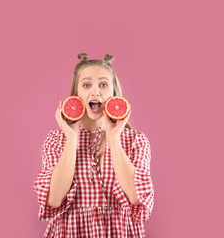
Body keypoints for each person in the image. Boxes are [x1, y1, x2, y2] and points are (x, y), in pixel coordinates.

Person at [32, 53, 154, 237]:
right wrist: (72, 137)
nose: (95, 92)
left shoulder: (136, 141)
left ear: (114, 93)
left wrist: (113, 137)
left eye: (103, 85)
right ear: (77, 93)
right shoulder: (56, 140)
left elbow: (136, 197)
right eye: (86, 85)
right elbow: (55, 199)